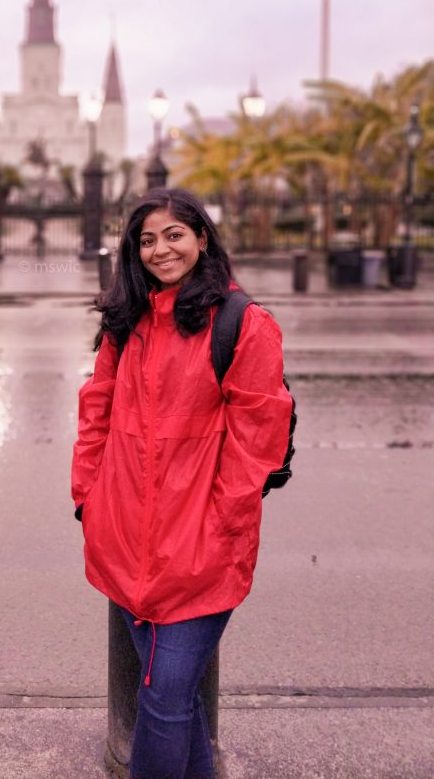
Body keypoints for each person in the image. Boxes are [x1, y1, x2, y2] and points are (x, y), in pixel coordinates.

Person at [71, 187, 292, 779]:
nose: (160, 250)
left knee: (164, 701)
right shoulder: (129, 320)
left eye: (174, 235)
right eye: (146, 239)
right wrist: (89, 498)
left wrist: (221, 526)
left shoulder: (245, 324)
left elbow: (257, 443)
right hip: (122, 538)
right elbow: (97, 409)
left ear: (201, 238)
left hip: (198, 547)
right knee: (175, 703)